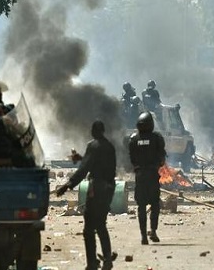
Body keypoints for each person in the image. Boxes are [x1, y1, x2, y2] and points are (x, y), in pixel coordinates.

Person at [56, 120, 116, 270]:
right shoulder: (110, 146)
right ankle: (107, 259)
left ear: (94, 131)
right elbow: (98, 163)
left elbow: (84, 169)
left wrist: (68, 185)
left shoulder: (93, 145)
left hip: (96, 188)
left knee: (89, 227)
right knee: (101, 224)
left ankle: (92, 263)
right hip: (109, 188)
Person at [129, 111, 166, 245]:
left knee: (141, 206)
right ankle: (153, 231)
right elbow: (162, 158)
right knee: (155, 204)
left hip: (140, 176)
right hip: (152, 175)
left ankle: (143, 236)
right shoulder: (156, 138)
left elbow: (131, 159)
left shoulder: (134, 139)